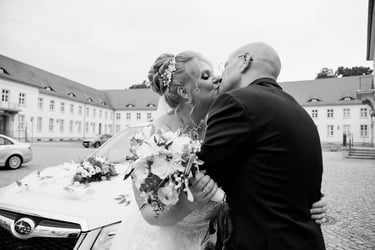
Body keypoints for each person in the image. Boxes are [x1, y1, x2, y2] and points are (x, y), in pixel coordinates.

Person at [111, 50, 326, 250]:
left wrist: (307, 199)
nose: (217, 78)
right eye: (205, 76)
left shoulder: (223, 127)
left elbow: (261, 173)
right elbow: (149, 212)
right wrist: (187, 203)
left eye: (214, 73)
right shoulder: (153, 139)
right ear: (184, 91)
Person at [198, 42, 326, 249]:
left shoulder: (235, 101)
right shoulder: (300, 112)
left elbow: (203, 172)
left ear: (244, 61)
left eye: (225, 65)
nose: (220, 75)